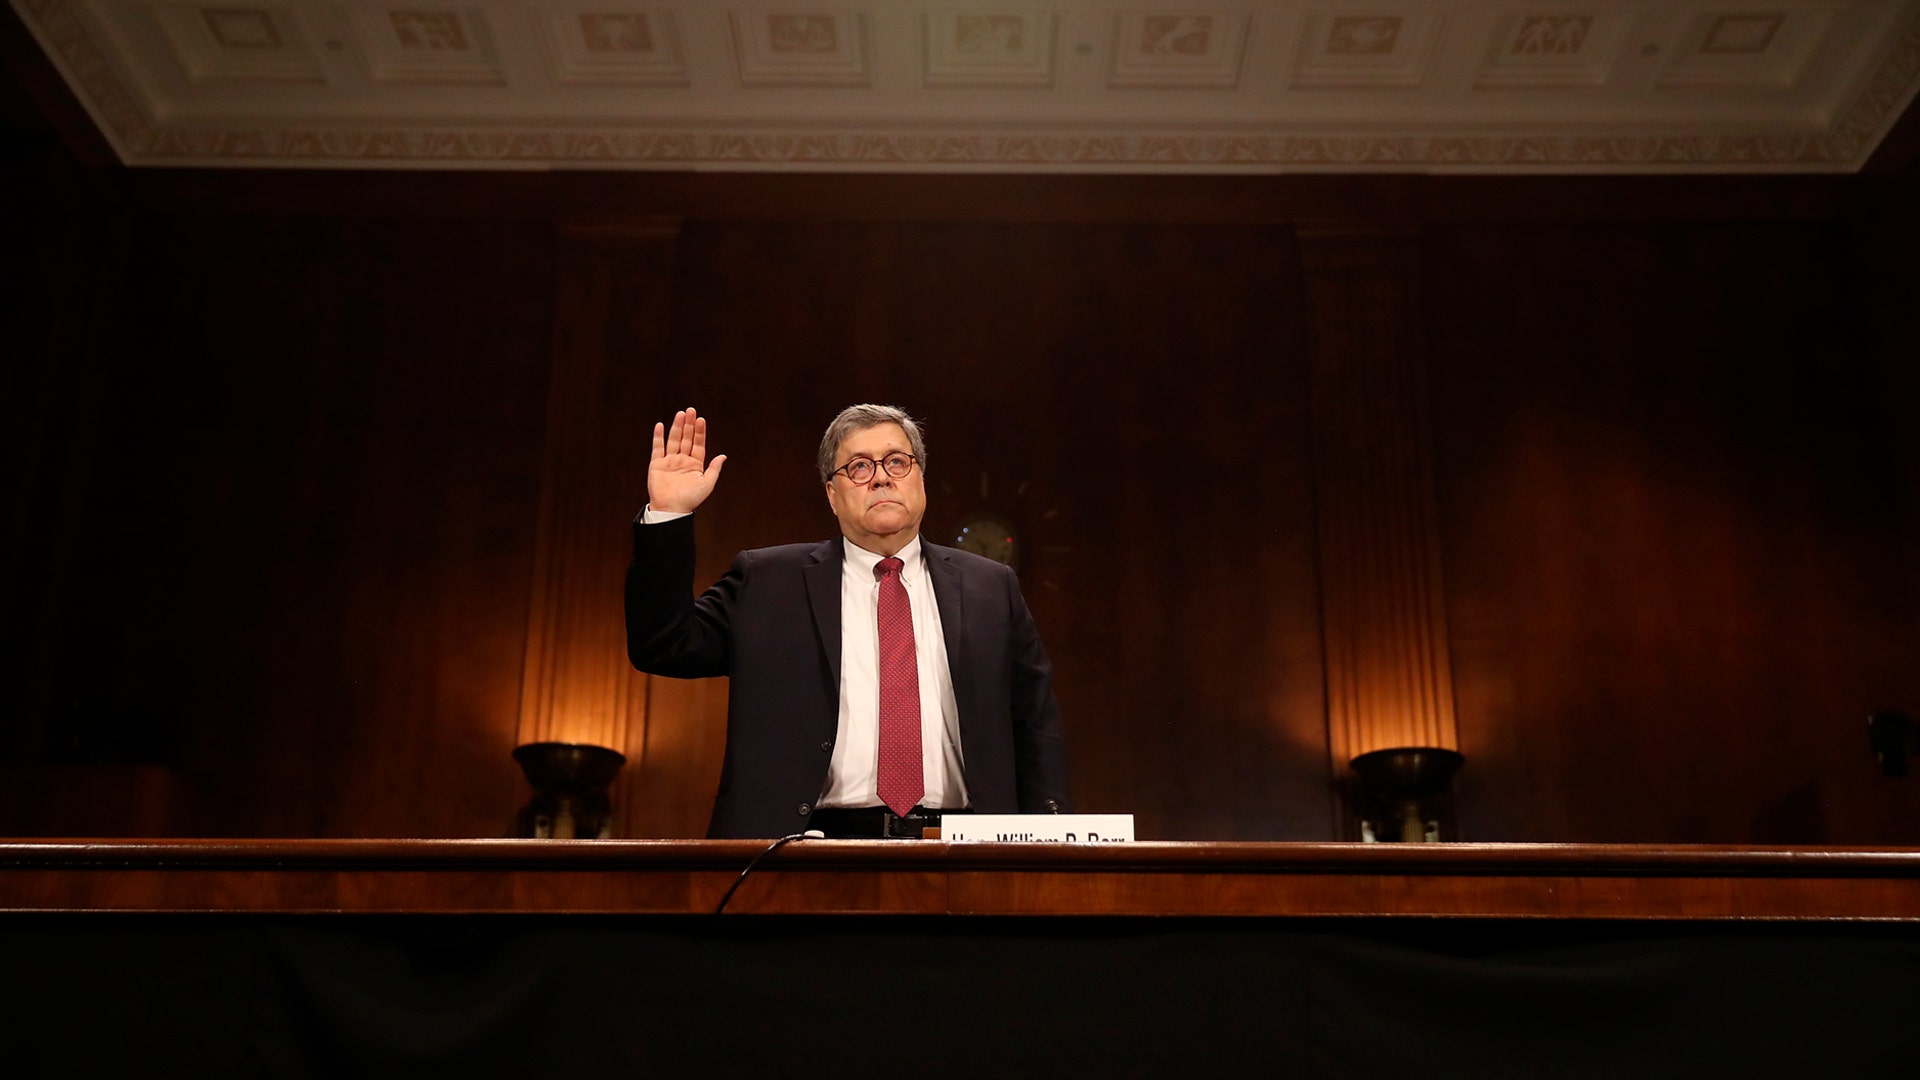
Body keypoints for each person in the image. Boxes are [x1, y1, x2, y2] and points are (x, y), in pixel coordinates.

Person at [625, 404, 1071, 839]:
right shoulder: (766, 581)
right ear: (832, 495)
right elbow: (663, 644)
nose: (881, 477)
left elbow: (1035, 724)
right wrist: (669, 513)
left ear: (920, 480)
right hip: (804, 850)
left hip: (962, 848)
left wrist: (1048, 842)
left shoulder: (991, 587)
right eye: (859, 467)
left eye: (897, 462)